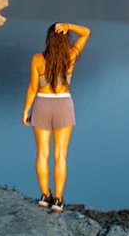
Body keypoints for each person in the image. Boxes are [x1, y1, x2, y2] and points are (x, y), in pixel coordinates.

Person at [21, 21, 90, 212]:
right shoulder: (70, 56)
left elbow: (33, 87)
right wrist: (69, 25)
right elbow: (86, 33)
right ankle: (58, 200)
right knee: (61, 155)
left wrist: (26, 111)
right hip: (63, 104)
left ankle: (45, 196)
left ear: (48, 39)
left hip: (42, 104)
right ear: (65, 38)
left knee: (42, 154)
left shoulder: (37, 59)